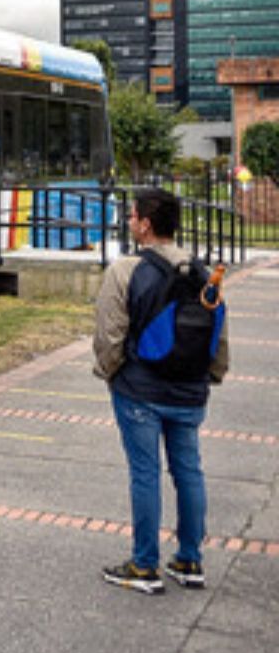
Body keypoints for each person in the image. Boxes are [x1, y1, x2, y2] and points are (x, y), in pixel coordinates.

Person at [92, 187, 230, 594]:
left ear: (146, 224)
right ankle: (189, 559)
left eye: (132, 215)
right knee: (188, 470)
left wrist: (111, 373)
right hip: (189, 391)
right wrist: (210, 377)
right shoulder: (203, 273)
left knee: (145, 473)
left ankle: (145, 565)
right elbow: (218, 335)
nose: (129, 221)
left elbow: (110, 334)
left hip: (140, 390)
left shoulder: (125, 270)